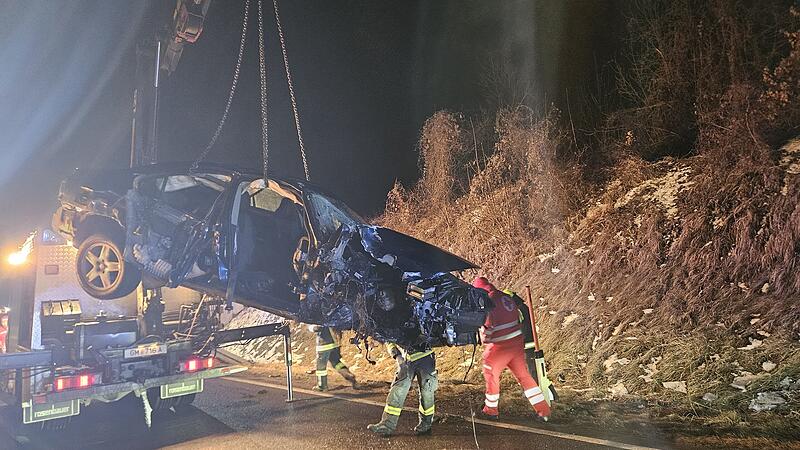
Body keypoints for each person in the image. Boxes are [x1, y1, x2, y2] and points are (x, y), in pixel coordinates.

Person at [474, 277, 550, 421]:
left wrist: (482, 334)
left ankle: (490, 410)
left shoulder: (488, 302)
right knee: (524, 377)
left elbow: (488, 333)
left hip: (499, 347)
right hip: (516, 345)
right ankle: (543, 410)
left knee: (491, 375)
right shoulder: (506, 297)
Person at [367, 341, 437, 436]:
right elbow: (388, 340)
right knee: (397, 390)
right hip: (407, 360)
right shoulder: (389, 327)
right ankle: (387, 425)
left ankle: (426, 424)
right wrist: (397, 355)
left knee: (427, 394)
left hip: (426, 358)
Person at [311, 325, 357, 391]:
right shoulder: (331, 316)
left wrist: (312, 327)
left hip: (323, 345)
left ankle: (322, 386)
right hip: (334, 344)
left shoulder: (317, 318)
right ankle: (348, 374)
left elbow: (316, 328)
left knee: (321, 367)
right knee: (336, 363)